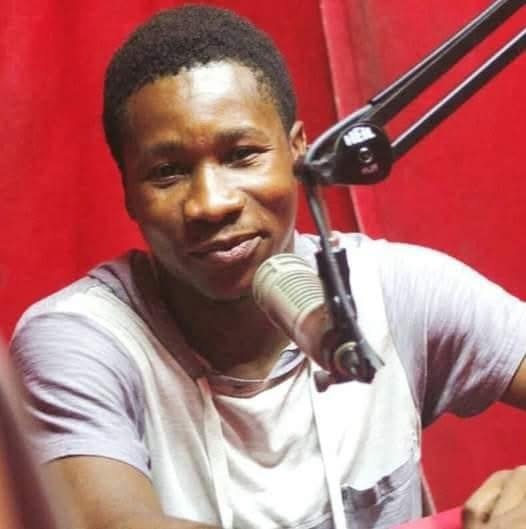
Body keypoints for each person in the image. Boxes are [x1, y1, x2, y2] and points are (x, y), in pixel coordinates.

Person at [9, 5, 526, 529]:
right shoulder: (83, 341)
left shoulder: (395, 292)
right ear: (128, 192)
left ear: (298, 152)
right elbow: (111, 524)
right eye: (167, 172)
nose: (211, 203)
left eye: (241, 155)